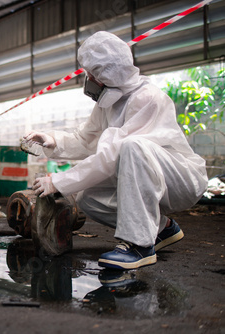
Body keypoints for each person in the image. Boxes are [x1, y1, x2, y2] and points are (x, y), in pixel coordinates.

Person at [25, 31, 208, 270]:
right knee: (88, 197)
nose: (88, 79)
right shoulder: (108, 101)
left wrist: (60, 181)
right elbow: (87, 138)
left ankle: (139, 245)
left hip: (180, 178)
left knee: (132, 146)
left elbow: (111, 155)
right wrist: (52, 141)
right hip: (146, 172)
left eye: (92, 74)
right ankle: (163, 229)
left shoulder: (147, 98)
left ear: (109, 73)